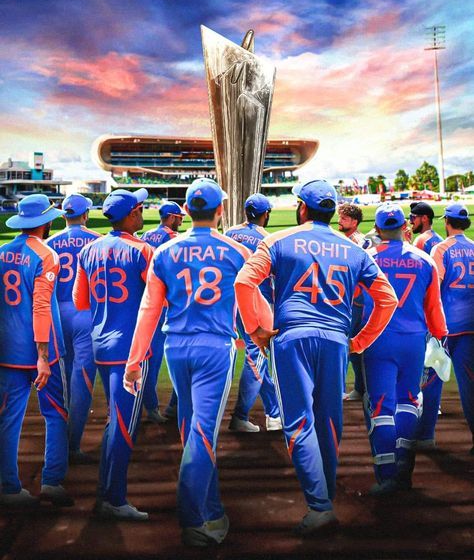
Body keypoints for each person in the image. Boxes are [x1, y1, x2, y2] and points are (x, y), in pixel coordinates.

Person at [234, 180, 398, 535]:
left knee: (298, 422)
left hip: (292, 337)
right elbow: (388, 299)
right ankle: (326, 495)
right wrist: (360, 341)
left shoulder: (278, 240)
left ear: (302, 209)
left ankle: (319, 505)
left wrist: (255, 331)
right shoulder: (355, 248)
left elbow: (244, 282)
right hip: (337, 340)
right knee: (328, 420)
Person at [124, 178, 250, 546]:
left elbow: (148, 310)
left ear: (186, 211)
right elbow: (250, 303)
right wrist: (260, 334)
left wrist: (135, 361)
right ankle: (193, 518)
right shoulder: (234, 251)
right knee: (202, 432)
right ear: (220, 210)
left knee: (191, 429)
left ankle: (210, 509)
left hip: (177, 346)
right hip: (215, 347)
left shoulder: (165, 252)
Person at [73, 188, 152, 521]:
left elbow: (80, 301)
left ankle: (106, 493)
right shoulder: (142, 250)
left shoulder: (88, 250)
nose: (143, 212)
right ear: (131, 214)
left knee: (114, 420)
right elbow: (156, 298)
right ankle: (114, 499)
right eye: (141, 208)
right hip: (129, 349)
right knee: (122, 424)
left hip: (99, 342)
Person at [362, 203, 447, 495]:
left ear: (377, 228)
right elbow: (433, 307)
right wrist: (440, 336)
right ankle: (404, 468)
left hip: (377, 338)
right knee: (409, 400)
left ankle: (386, 474)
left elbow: (356, 302)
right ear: (404, 227)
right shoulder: (424, 260)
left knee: (381, 405)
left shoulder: (367, 258)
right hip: (413, 338)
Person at [0, 194, 73, 507]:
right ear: (46, 222)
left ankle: (10, 487)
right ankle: (52, 481)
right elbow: (41, 306)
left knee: (8, 419)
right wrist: (43, 357)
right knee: (56, 414)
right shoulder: (46, 254)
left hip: (7, 351)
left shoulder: (2, 252)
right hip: (44, 351)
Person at [46, 194, 102, 463]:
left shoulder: (49, 243)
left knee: (63, 379)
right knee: (83, 380)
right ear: (85, 215)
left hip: (57, 314)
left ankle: (58, 445)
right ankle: (73, 444)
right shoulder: (97, 240)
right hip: (86, 312)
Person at [226, 193, 281, 432]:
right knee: (256, 357)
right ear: (265, 214)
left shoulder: (229, 233)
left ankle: (274, 413)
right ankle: (240, 416)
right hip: (258, 305)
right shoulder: (268, 239)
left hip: (232, 303)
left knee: (258, 358)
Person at [431, 203, 474, 454]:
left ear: (447, 222)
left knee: (466, 384)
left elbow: (434, 286)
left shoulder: (441, 248)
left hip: (453, 326)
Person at [141, 201, 186, 423]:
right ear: (170, 217)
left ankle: (149, 406)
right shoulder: (173, 240)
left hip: (146, 302)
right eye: (179, 217)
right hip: (167, 306)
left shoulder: (145, 235)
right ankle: (163, 407)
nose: (182, 220)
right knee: (174, 357)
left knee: (148, 359)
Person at [409, 201, 444, 450]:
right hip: (446, 311)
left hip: (424, 314)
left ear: (423, 218)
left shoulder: (421, 243)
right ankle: (434, 405)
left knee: (423, 366)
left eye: (413, 217)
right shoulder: (440, 239)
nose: (411, 220)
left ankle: (421, 413)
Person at [337, 203, 365, 401]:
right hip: (351, 300)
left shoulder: (357, 242)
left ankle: (336, 388)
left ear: (354, 222)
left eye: (344, 218)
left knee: (342, 345)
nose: (339, 221)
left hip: (354, 302)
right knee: (355, 348)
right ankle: (360, 388)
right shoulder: (346, 239)